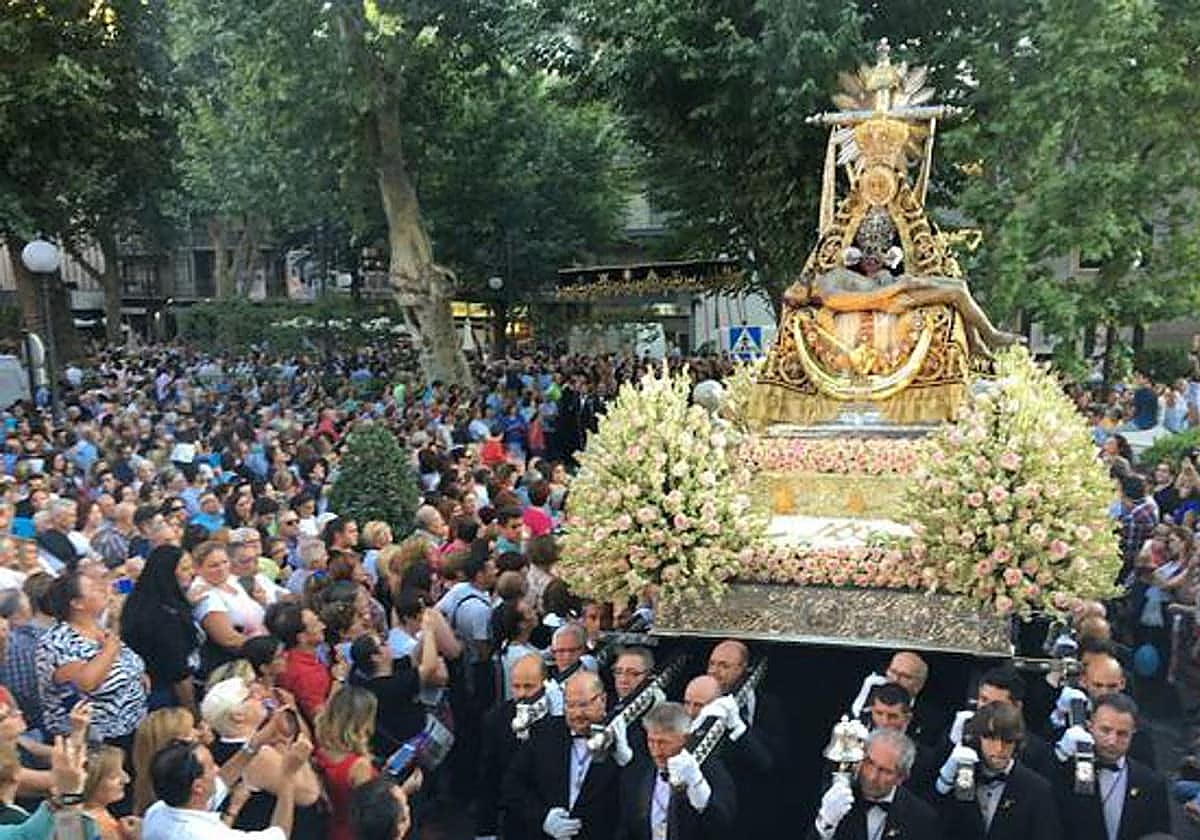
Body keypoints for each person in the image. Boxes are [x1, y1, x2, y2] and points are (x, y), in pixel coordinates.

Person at [503, 671, 630, 840]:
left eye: (584, 705)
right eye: (570, 705)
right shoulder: (544, 732)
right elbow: (512, 784)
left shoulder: (623, 738)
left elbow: (635, 800)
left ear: (603, 700)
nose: (577, 714)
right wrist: (543, 817)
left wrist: (624, 760)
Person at [200, 678, 325, 840]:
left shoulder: (217, 747)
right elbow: (309, 794)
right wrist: (295, 753)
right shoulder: (260, 756)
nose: (259, 696)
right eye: (249, 696)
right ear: (238, 715)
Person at [36, 572, 148, 748]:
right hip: (96, 741)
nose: (104, 590)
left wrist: (137, 674)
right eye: (95, 589)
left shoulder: (98, 628)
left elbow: (121, 663)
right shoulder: (57, 642)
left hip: (133, 726)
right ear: (77, 603)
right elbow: (87, 681)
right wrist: (111, 648)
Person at [141, 735, 311, 840]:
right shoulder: (209, 836)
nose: (217, 769)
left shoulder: (157, 812)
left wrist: (254, 744)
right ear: (198, 787)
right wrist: (288, 776)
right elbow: (278, 835)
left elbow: (221, 781)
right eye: (211, 766)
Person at [933, 701, 1060, 840]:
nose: (999, 748)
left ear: (1017, 742)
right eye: (991, 738)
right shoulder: (960, 776)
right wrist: (946, 779)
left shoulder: (1038, 790)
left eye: (1008, 740)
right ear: (978, 738)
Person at [1053, 693, 1169, 840]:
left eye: (1122, 734)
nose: (1112, 741)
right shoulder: (1065, 774)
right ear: (1090, 727)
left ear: (1133, 733)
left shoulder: (1151, 784)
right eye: (1105, 730)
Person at [616, 701, 735, 840]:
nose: (656, 752)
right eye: (651, 741)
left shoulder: (711, 770)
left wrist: (697, 784)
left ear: (685, 739)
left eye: (663, 742)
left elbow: (721, 826)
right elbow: (627, 828)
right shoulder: (639, 773)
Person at [810, 728, 940, 840]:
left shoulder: (921, 817)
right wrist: (825, 824)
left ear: (901, 777)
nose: (872, 776)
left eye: (885, 771)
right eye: (869, 763)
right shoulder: (833, 796)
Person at [120, 545, 200, 712]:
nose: (192, 573)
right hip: (165, 693)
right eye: (185, 568)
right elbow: (178, 672)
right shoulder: (165, 616)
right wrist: (192, 712)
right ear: (168, 573)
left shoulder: (141, 599)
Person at [478, 653, 543, 840]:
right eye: (516, 686)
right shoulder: (496, 719)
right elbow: (489, 775)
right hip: (513, 816)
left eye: (529, 687)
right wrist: (485, 831)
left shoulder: (559, 717)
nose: (522, 693)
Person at [189, 541, 265, 677]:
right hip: (233, 664)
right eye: (214, 565)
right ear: (198, 569)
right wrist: (266, 647)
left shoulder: (231, 580)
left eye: (224, 562)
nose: (222, 568)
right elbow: (228, 639)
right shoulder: (203, 594)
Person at [312, 685, 378, 840]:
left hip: (331, 828)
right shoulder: (358, 766)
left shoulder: (320, 748)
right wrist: (404, 790)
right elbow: (372, 812)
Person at [264, 602, 332, 723]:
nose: (323, 626)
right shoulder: (306, 674)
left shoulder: (289, 658)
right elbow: (322, 721)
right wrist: (338, 683)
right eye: (315, 625)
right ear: (302, 637)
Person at [80, 745, 135, 840]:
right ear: (91, 783)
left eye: (122, 771)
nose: (126, 779)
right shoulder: (100, 827)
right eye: (114, 776)